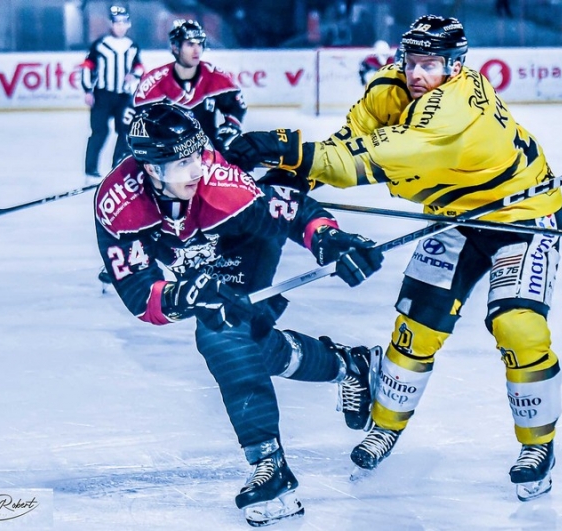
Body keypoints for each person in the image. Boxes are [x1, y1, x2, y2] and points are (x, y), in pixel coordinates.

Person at [225, 15, 562, 502]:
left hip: (521, 216)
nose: (416, 73)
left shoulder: (453, 109)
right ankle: (385, 426)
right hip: (454, 219)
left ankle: (538, 445)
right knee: (415, 329)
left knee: (518, 327)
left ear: (455, 66)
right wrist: (300, 175)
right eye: (412, 62)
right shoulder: (389, 87)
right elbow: (348, 143)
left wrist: (284, 148)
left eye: (429, 64)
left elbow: (370, 160)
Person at [94, 101, 384, 526]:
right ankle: (348, 365)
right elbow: (140, 296)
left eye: (198, 155)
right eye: (182, 163)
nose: (196, 168)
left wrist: (327, 238)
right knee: (253, 345)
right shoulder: (119, 204)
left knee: (222, 331)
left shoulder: (222, 187)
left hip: (244, 241)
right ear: (152, 168)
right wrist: (183, 295)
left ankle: (270, 466)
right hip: (195, 251)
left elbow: (291, 211)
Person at [134, 19, 247, 157]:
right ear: (175, 47)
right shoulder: (154, 81)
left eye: (200, 44)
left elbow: (236, 107)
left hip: (208, 153)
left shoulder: (216, 76)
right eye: (190, 44)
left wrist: (229, 129)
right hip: (168, 156)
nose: (196, 50)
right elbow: (139, 119)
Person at [81, 5, 143, 185]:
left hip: (124, 97)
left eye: (124, 23)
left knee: (125, 132)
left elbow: (139, 66)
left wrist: (134, 75)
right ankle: (91, 170)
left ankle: (118, 167)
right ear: (111, 24)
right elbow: (87, 67)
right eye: (117, 23)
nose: (120, 26)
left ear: (128, 24)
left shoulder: (132, 46)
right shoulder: (100, 45)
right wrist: (88, 90)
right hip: (103, 95)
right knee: (99, 132)